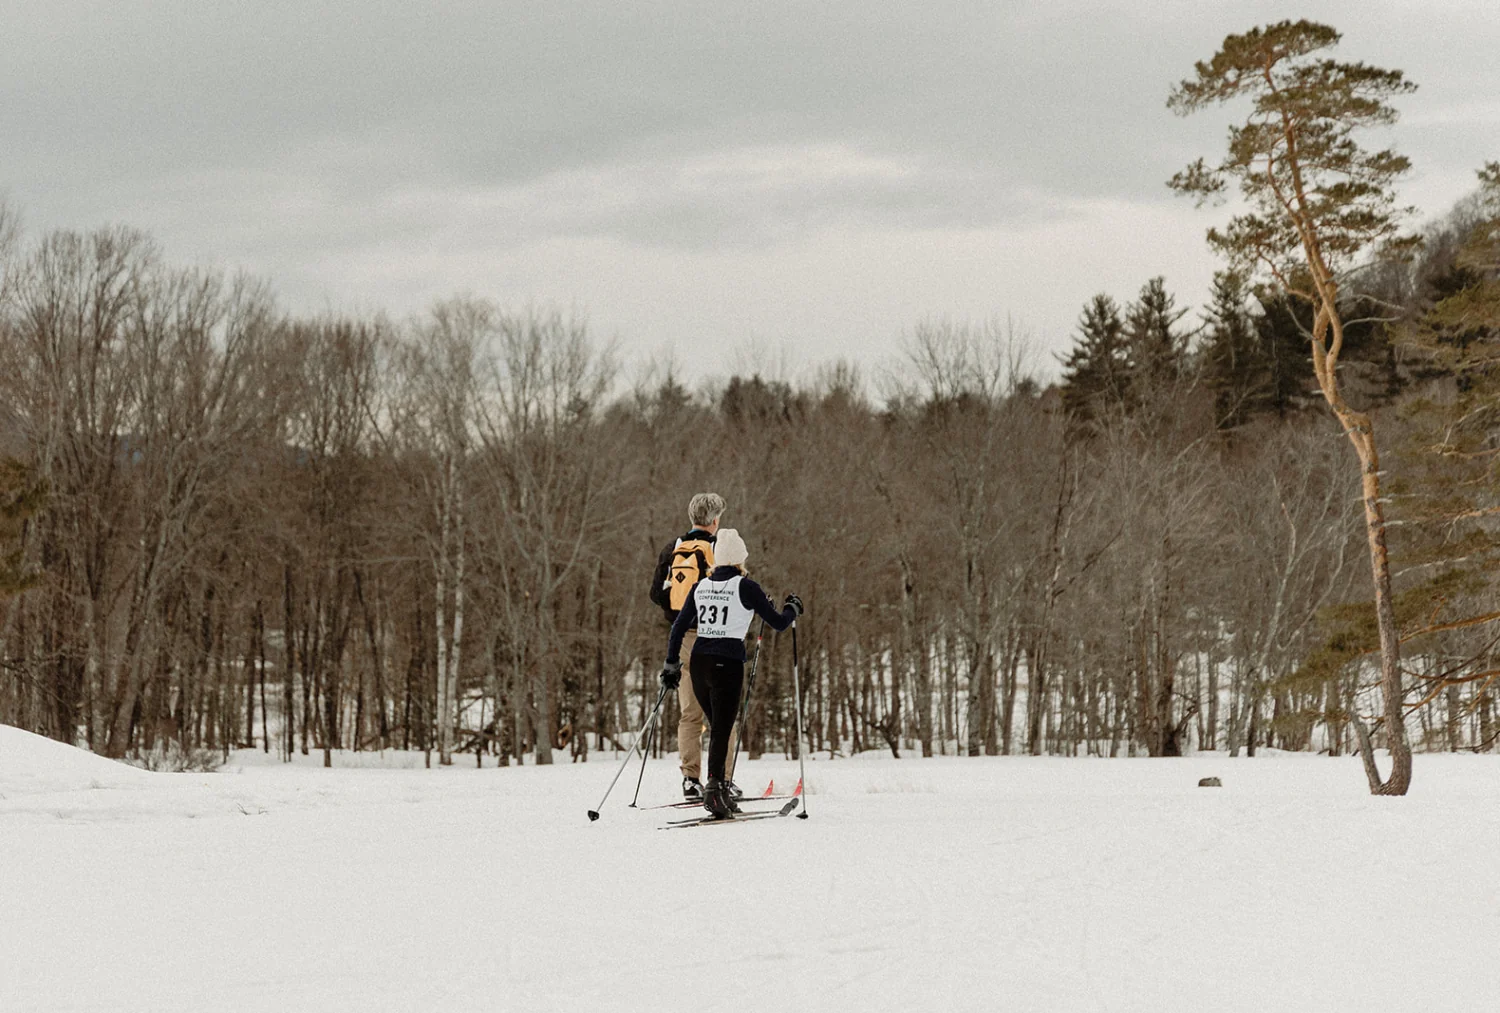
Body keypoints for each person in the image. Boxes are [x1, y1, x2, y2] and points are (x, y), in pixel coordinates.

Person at [660, 528, 802, 818]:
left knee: (718, 728)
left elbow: (678, 627)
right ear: (739, 560)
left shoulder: (701, 585)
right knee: (722, 729)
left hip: (699, 663)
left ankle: (719, 788)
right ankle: (714, 790)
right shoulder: (746, 586)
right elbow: (777, 623)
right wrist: (792, 610)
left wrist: (671, 663)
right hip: (727, 665)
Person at [648, 492, 741, 800]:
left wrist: (678, 608)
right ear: (715, 520)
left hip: (682, 638)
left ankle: (690, 779)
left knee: (690, 713)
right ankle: (723, 779)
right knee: (721, 714)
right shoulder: (719, 549)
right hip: (715, 639)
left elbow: (655, 594)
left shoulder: (673, 549)